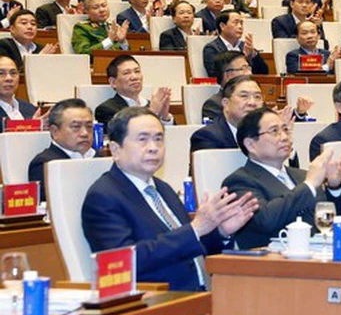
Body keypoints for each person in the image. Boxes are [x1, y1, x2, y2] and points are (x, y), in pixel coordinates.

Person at [82, 107, 259, 291]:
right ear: (115, 149)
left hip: (204, 292)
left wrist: (220, 232)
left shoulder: (163, 189)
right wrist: (196, 228)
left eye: (158, 139)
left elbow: (191, 246)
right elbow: (124, 263)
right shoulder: (104, 197)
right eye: (142, 139)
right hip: (159, 299)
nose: (153, 147)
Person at [222, 107, 341, 251]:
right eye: (274, 131)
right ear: (251, 144)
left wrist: (335, 187)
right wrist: (309, 185)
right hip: (272, 260)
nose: (284, 137)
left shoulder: (302, 175)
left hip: (319, 254)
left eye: (285, 130)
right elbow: (266, 220)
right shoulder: (240, 181)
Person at [28, 98, 97, 197]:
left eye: (89, 126)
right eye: (76, 127)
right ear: (55, 131)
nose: (85, 133)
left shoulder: (100, 157)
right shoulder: (45, 164)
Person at [190, 75, 267, 154]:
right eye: (244, 96)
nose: (252, 103)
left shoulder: (268, 133)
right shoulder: (207, 137)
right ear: (226, 103)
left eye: (257, 97)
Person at [94, 55, 174, 126]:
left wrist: (165, 117)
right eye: (126, 73)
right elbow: (123, 134)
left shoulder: (151, 104)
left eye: (137, 71)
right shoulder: (106, 109)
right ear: (113, 82)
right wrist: (152, 113)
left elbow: (173, 136)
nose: (135, 77)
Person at [202, 11, 269, 78]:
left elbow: (264, 73)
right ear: (222, 26)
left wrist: (252, 55)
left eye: (241, 23)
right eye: (236, 23)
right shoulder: (212, 48)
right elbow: (215, 74)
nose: (240, 27)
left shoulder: (245, 46)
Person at [0, 55, 42, 127]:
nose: (9, 78)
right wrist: (31, 127)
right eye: (1, 73)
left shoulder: (30, 108)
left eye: (13, 73)